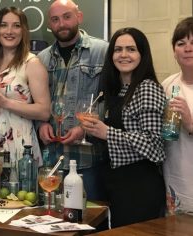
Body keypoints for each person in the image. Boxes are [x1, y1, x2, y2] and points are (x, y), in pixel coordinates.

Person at [81, 27, 166, 227]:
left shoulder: (147, 88)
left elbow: (155, 145)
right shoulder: (118, 90)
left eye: (131, 49)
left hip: (139, 186)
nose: (123, 55)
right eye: (118, 49)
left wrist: (107, 132)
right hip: (116, 183)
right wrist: (93, 130)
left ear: (142, 55)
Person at [37, 0, 108, 200]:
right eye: (55, 20)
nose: (62, 24)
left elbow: (111, 100)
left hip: (89, 161)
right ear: (49, 25)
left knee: (91, 222)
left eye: (67, 17)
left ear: (79, 17)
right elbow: (35, 101)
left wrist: (85, 127)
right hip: (52, 160)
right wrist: (40, 124)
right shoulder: (41, 59)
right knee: (51, 222)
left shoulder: (103, 51)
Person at [0, 6, 50, 164]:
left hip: (19, 142)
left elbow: (44, 112)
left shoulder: (32, 63)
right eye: (4, 25)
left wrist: (6, 102)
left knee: (19, 188)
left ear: (23, 31)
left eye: (16, 26)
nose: (9, 31)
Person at [162, 17, 193, 215]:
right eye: (181, 44)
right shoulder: (167, 85)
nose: (188, 48)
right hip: (175, 181)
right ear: (174, 52)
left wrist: (190, 123)